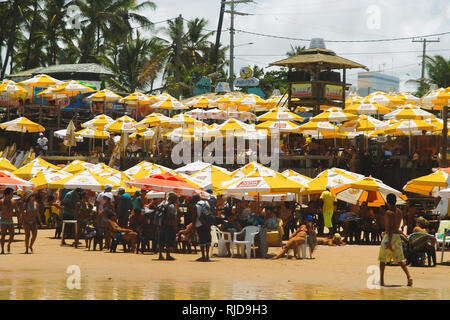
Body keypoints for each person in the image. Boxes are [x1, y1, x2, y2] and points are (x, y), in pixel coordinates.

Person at [378, 193, 413, 287]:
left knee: (382, 260)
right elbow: (396, 228)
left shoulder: (388, 213)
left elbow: (389, 228)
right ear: (396, 201)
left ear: (387, 201)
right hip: (397, 237)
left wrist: (388, 241)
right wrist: (403, 234)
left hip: (389, 237)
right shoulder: (399, 212)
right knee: (400, 259)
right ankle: (409, 277)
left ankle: (381, 280)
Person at [157, 193, 178, 260]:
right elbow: (172, 216)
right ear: (172, 199)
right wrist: (175, 225)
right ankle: (168, 255)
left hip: (161, 224)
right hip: (169, 225)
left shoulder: (162, 204)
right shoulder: (172, 206)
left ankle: (160, 255)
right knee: (168, 240)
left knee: (161, 240)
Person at [192, 194, 212, 262]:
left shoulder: (196, 206)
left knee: (202, 240)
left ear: (195, 200)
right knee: (207, 240)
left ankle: (203, 256)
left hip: (199, 224)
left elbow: (194, 217)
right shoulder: (206, 203)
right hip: (207, 224)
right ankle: (207, 256)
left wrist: (193, 227)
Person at [0, 188, 20, 254]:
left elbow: (17, 211)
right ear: (7, 194)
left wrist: (19, 218)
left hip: (10, 220)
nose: (12, 195)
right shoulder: (1, 202)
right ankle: (2, 249)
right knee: (3, 235)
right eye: (11, 194)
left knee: (12, 235)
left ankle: (8, 244)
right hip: (3, 220)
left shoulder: (13, 202)